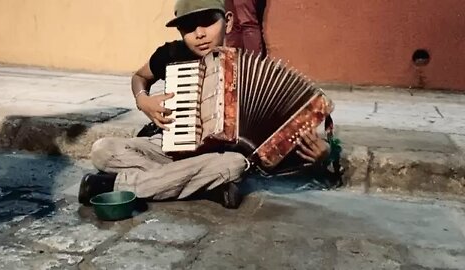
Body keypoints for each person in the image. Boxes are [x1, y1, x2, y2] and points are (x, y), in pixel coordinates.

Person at [78, 0, 334, 210]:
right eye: (189, 28)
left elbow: (288, 135)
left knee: (233, 165)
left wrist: (323, 155)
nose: (199, 34)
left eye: (208, 22)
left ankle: (113, 185)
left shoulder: (248, 68)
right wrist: (143, 100)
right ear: (180, 33)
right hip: (168, 146)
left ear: (229, 22)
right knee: (103, 149)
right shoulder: (172, 55)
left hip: (219, 157)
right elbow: (139, 77)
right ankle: (209, 185)